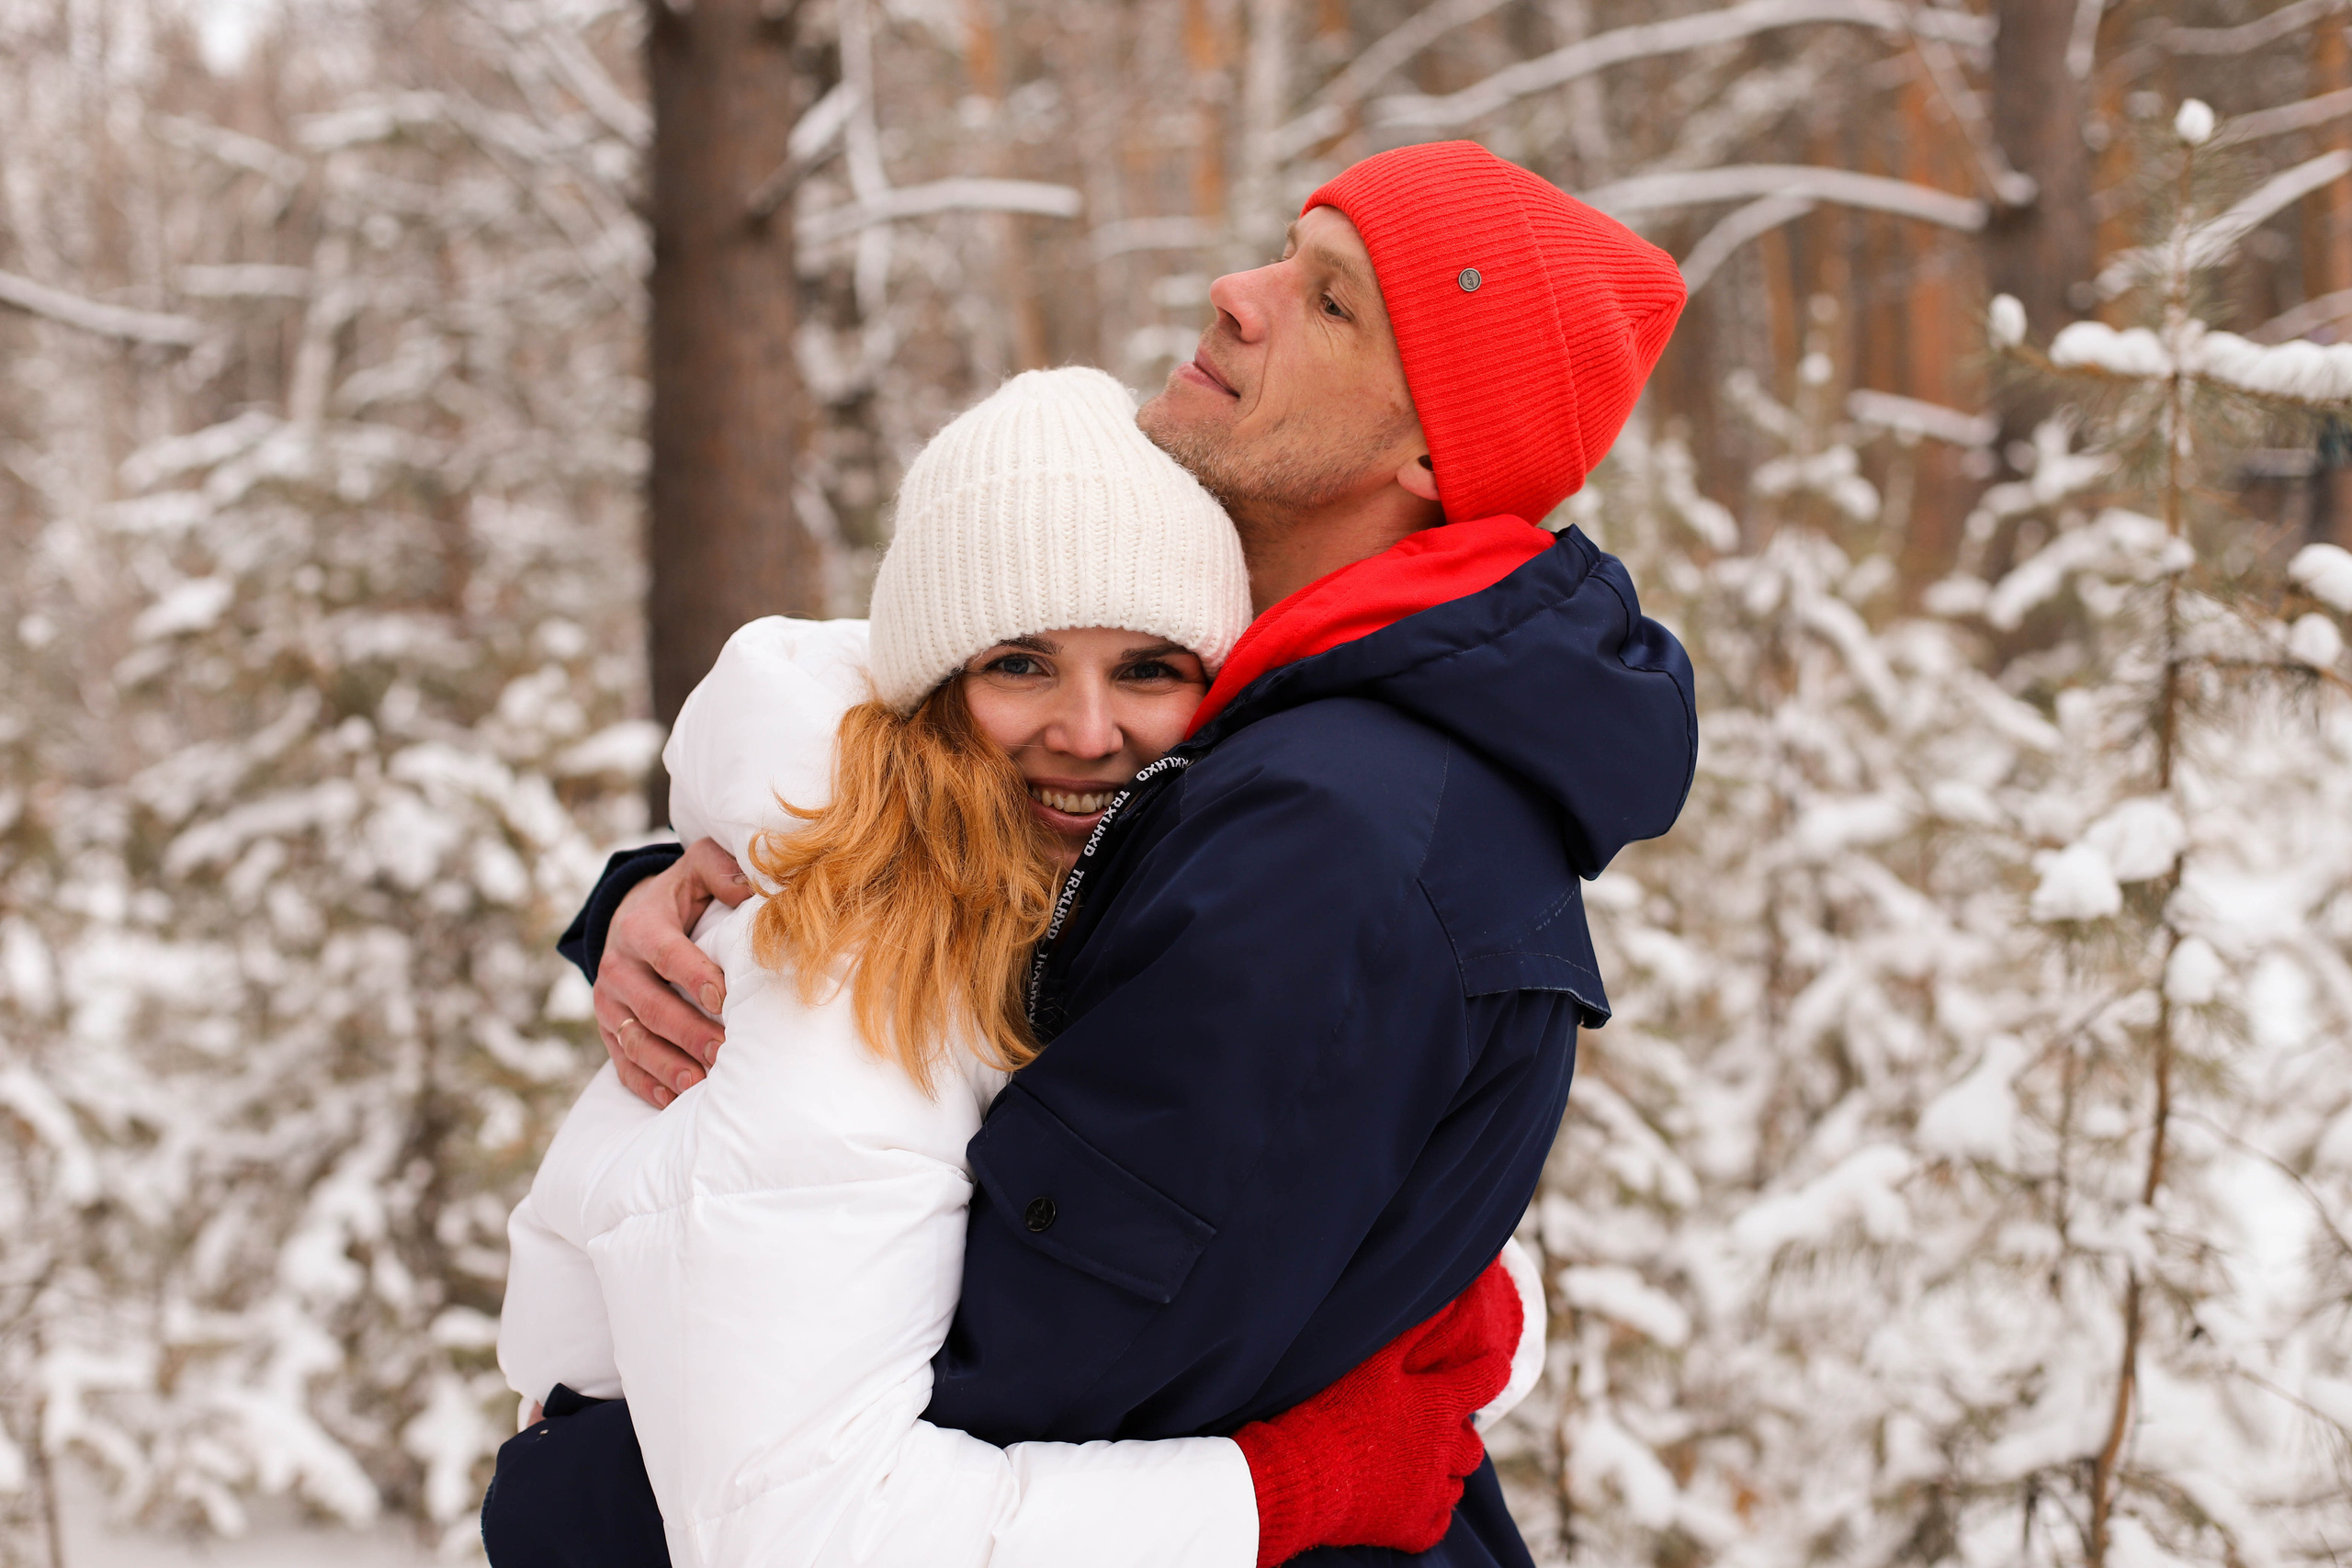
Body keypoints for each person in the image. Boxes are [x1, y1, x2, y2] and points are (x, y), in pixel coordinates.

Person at [542, 140, 1696, 1568]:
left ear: (1431, 451)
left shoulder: (1329, 840)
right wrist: (700, 897)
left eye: (1330, 301)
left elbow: (1008, 1402)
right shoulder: (1268, 710)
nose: (1236, 292)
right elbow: (934, 749)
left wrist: (574, 1496)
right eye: (1286, 250)